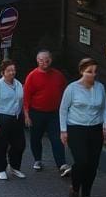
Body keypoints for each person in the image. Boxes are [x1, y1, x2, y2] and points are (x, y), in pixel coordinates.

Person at [60, 57, 106, 197]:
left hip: (95, 129)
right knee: (82, 162)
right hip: (76, 128)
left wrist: (105, 125)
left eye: (95, 71)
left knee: (93, 164)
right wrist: (63, 131)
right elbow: (63, 110)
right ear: (81, 71)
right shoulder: (72, 88)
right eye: (89, 71)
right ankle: (75, 190)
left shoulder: (100, 87)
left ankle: (87, 194)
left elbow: (105, 108)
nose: (93, 74)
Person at [23, 49, 71, 177]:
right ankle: (37, 159)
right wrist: (26, 115)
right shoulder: (32, 76)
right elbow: (26, 97)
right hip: (36, 113)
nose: (44, 62)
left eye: (47, 60)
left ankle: (62, 164)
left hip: (54, 114)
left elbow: (66, 93)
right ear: (37, 61)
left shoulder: (58, 75)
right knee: (35, 137)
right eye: (41, 60)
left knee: (57, 138)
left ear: (51, 60)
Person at [0, 59, 26, 181]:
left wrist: (23, 115)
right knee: (1, 145)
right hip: (2, 117)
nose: (12, 72)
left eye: (13, 70)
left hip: (16, 118)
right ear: (3, 72)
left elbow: (21, 101)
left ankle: (14, 167)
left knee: (20, 144)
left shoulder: (18, 84)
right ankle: (1, 168)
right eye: (9, 70)